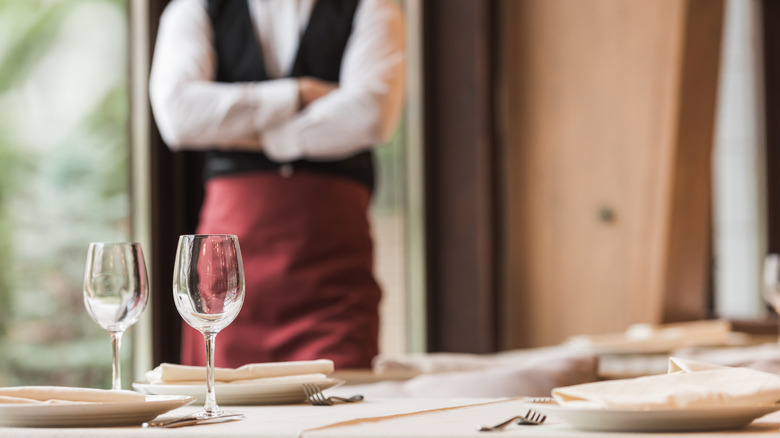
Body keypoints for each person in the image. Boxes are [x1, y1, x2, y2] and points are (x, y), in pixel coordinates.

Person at [149, 0, 405, 369]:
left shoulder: (373, 5)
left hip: (332, 277)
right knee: (224, 400)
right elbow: (178, 116)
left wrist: (256, 136)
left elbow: (372, 115)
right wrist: (298, 94)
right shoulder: (195, 6)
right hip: (228, 281)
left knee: (339, 399)